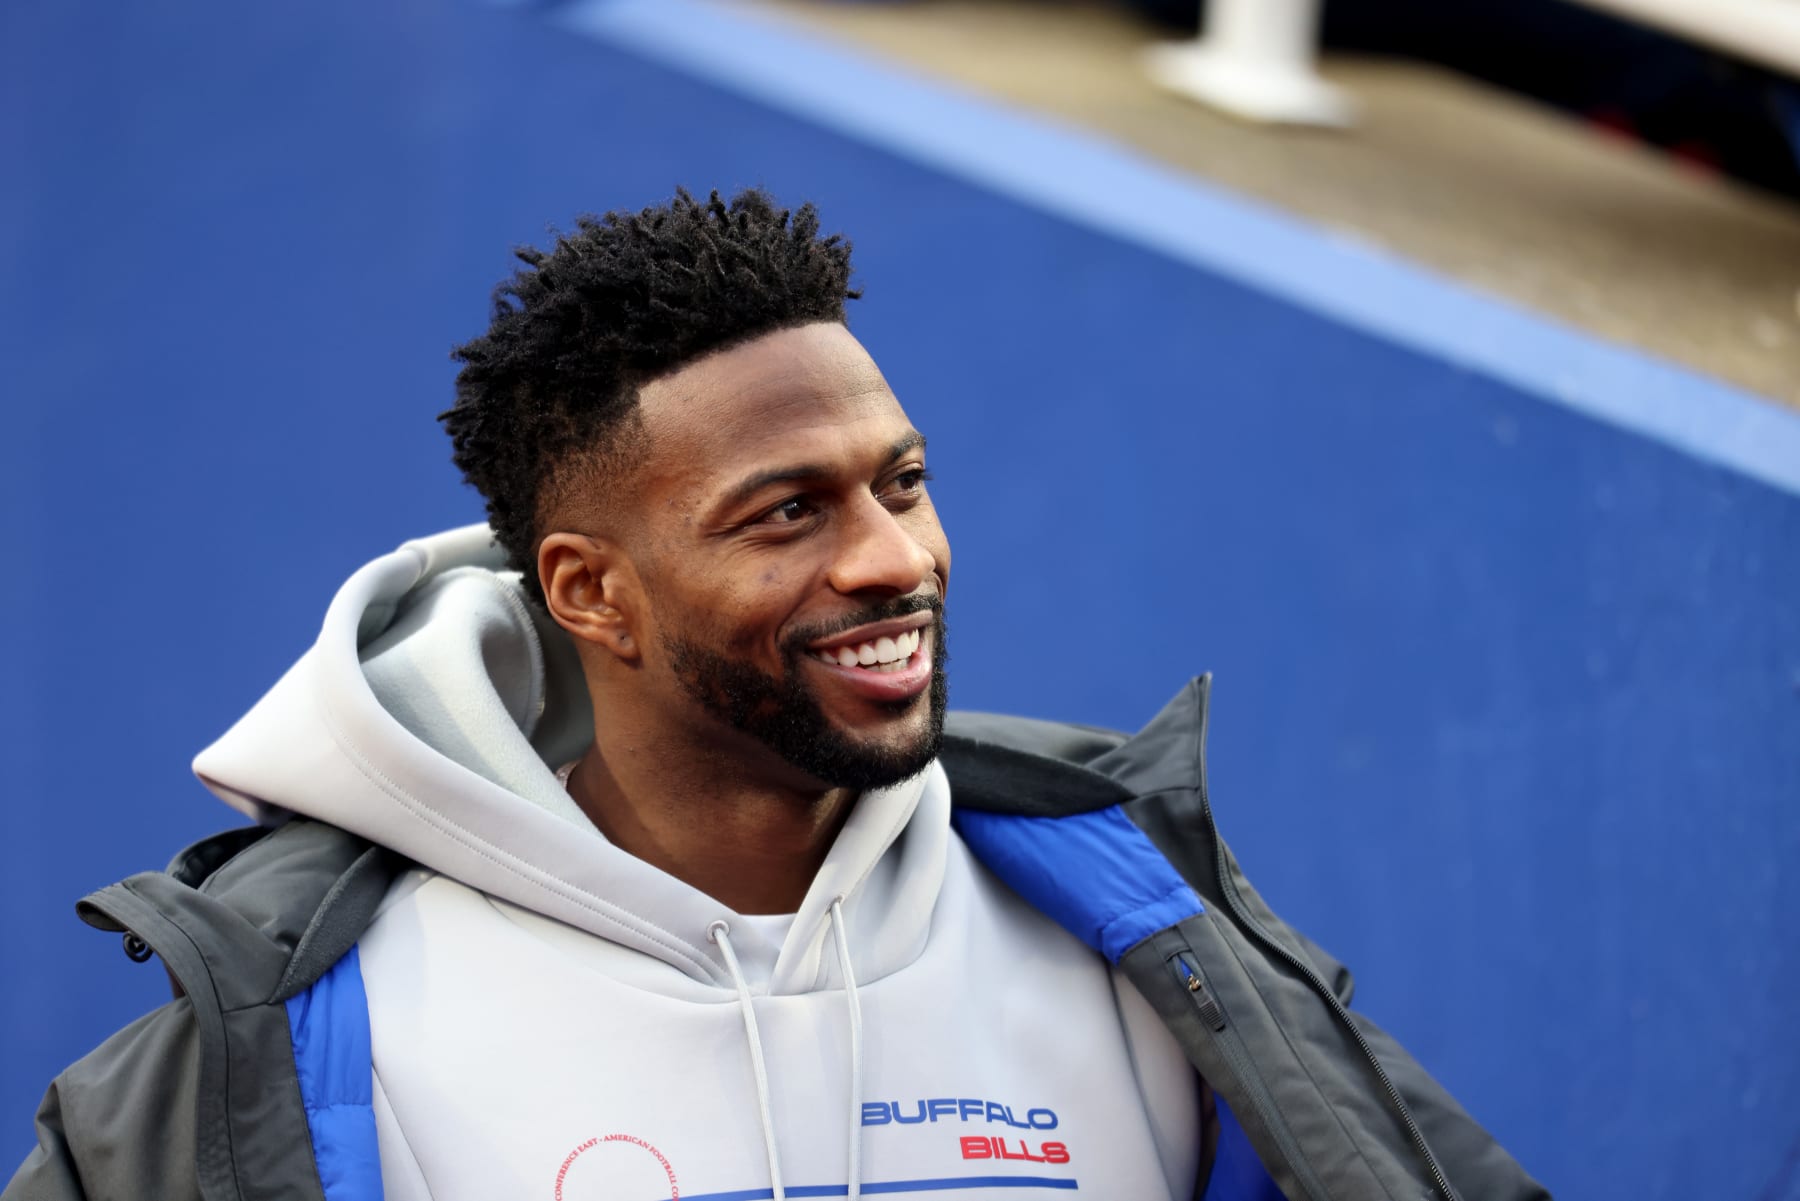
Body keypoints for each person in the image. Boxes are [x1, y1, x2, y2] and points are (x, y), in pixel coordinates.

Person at [4, 188, 1548, 1201]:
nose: (896, 558)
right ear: (589, 590)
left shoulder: (1144, 935)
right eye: (788, 511)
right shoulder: (299, 1029)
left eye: (902, 482)